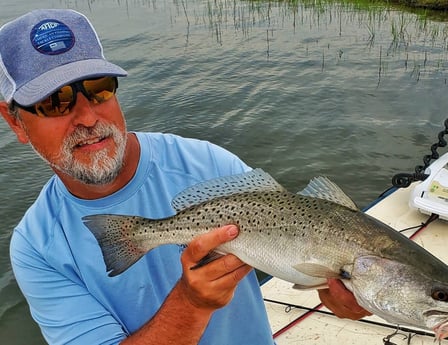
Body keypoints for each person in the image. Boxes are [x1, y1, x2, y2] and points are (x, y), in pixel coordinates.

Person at [0, 9, 370, 345]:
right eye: (55, 102)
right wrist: (191, 303)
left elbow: (298, 245)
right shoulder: (37, 248)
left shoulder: (208, 162)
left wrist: (345, 298)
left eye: (99, 89)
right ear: (14, 120)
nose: (88, 118)